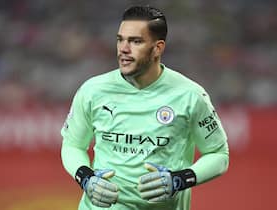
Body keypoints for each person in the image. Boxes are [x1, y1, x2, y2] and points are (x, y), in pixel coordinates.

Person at [61, 5, 229, 210]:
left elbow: (219, 155)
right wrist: (85, 177)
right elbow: (72, 146)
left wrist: (179, 180)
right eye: (120, 39)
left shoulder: (190, 95)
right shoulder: (92, 90)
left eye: (135, 41)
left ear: (158, 48)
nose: (123, 48)